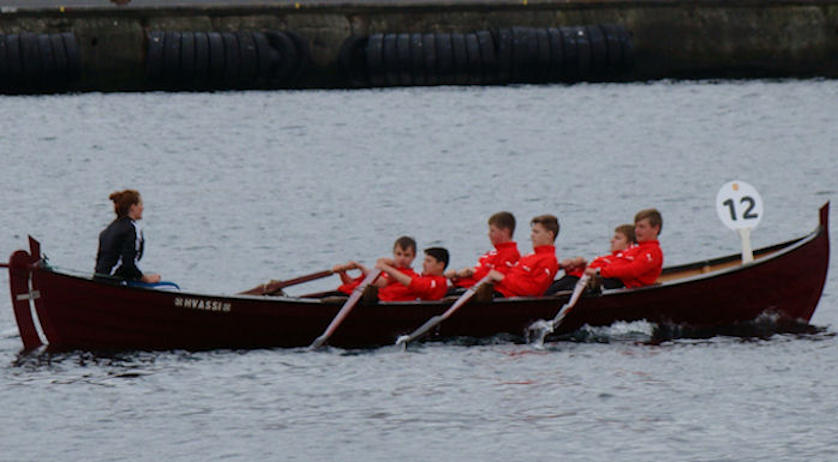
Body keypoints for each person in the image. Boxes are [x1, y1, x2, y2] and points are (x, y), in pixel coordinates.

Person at [583, 208, 664, 288]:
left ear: (656, 229)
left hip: (622, 285)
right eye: (636, 227)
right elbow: (613, 263)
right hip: (610, 280)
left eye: (641, 227)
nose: (636, 231)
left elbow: (632, 270)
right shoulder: (636, 249)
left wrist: (599, 272)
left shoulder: (653, 251)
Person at [95, 189, 161, 283]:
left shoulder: (107, 230)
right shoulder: (132, 229)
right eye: (140, 204)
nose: (142, 208)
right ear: (132, 207)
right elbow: (128, 265)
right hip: (116, 282)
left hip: (98, 280)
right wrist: (147, 279)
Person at [547, 224, 636, 293]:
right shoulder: (610, 258)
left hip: (582, 282)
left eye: (618, 238)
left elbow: (613, 273)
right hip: (577, 278)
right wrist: (578, 266)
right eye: (613, 237)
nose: (612, 241)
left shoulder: (627, 258)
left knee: (547, 291)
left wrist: (592, 271)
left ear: (629, 243)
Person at [486, 215, 560, 297]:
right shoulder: (529, 256)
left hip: (507, 297)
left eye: (536, 232)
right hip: (497, 291)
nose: (532, 235)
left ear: (550, 235)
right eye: (532, 232)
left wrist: (502, 279)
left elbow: (533, 291)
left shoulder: (548, 260)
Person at [445, 211, 520, 290]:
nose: (489, 234)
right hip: (466, 288)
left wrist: (473, 272)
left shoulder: (510, 254)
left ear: (505, 231)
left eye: (492, 231)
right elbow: (477, 276)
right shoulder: (491, 254)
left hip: (478, 292)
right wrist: (456, 277)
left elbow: (496, 279)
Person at [332, 236, 418, 295]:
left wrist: (360, 267)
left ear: (413, 256)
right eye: (399, 254)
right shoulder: (384, 269)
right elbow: (351, 283)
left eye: (406, 255)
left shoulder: (410, 277)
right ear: (393, 253)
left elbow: (382, 283)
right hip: (350, 295)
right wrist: (342, 273)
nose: (402, 258)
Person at [375, 247, 450, 301]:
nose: (424, 264)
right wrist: (388, 267)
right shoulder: (420, 278)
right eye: (424, 260)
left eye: (428, 261)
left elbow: (415, 284)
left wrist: (388, 269)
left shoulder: (437, 282)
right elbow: (373, 280)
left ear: (440, 265)